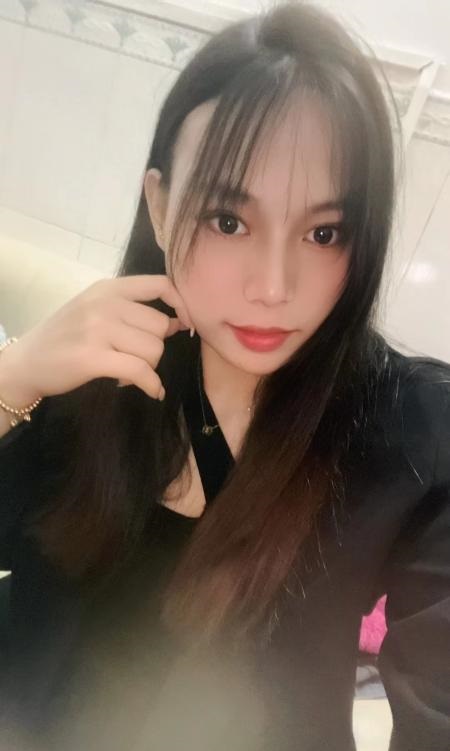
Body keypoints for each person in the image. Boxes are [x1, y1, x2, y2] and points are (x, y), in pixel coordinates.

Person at [0, 2, 449, 749]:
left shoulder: (413, 436)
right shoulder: (97, 371)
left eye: (324, 232)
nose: (272, 286)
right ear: (159, 205)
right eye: (228, 221)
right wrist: (13, 377)